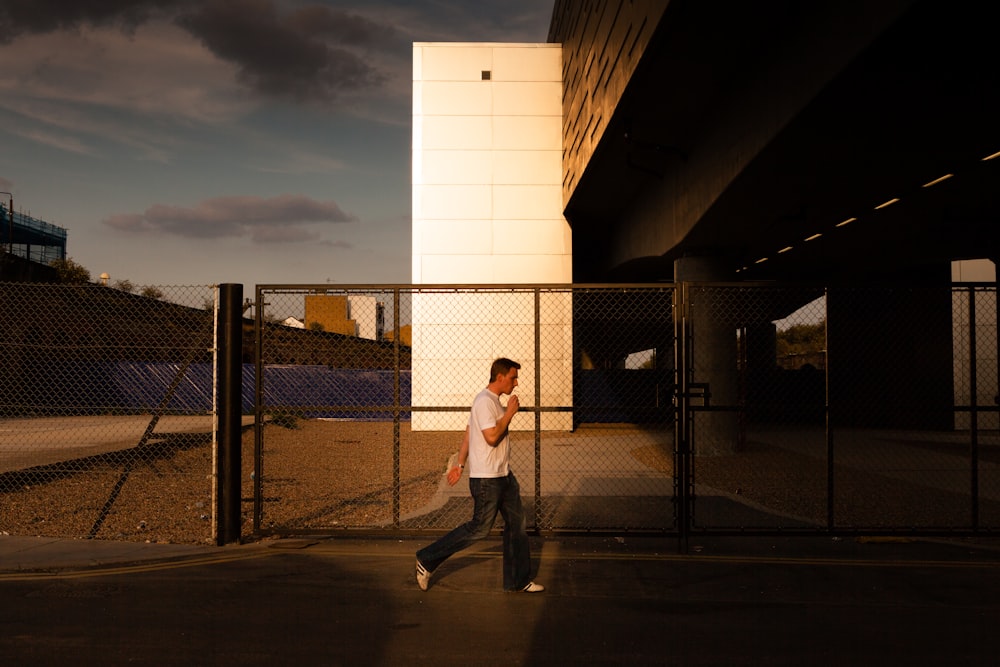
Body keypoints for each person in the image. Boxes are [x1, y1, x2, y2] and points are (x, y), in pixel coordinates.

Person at [415, 357, 544, 593]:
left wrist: (460, 464)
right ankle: (427, 559)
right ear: (500, 377)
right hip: (487, 480)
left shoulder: (490, 402)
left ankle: (518, 581)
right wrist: (510, 414)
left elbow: (468, 433)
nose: (516, 383)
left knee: (517, 525)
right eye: (513, 377)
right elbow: (491, 437)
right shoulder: (485, 401)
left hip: (503, 476)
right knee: (479, 528)